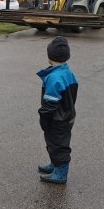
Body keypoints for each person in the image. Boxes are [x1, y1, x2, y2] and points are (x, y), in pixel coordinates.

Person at [36, 36, 78, 184]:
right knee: (54, 143)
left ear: (50, 56)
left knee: (58, 144)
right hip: (66, 115)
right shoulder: (68, 72)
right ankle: (55, 164)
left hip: (57, 119)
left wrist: (43, 117)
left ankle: (61, 172)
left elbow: (50, 104)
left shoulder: (55, 77)